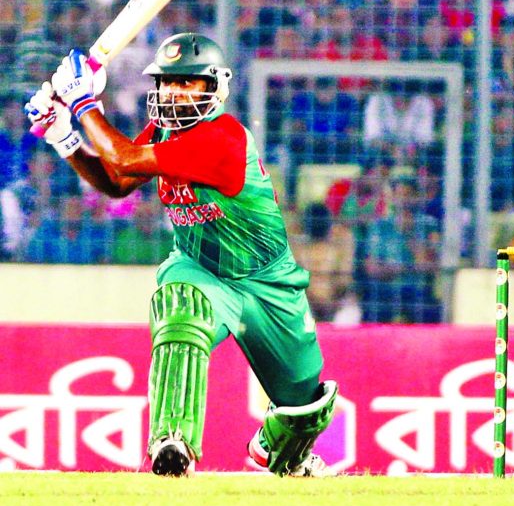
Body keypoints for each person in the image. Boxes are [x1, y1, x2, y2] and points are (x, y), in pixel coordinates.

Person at [24, 34, 338, 478]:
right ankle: (173, 442)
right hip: (200, 267)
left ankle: (283, 453)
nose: (173, 93)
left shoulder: (223, 139)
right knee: (181, 309)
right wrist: (62, 135)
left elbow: (124, 158)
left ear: (213, 90)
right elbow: (118, 181)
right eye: (167, 83)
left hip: (268, 281)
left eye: (186, 84)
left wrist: (79, 104)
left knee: (307, 408)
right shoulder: (166, 128)